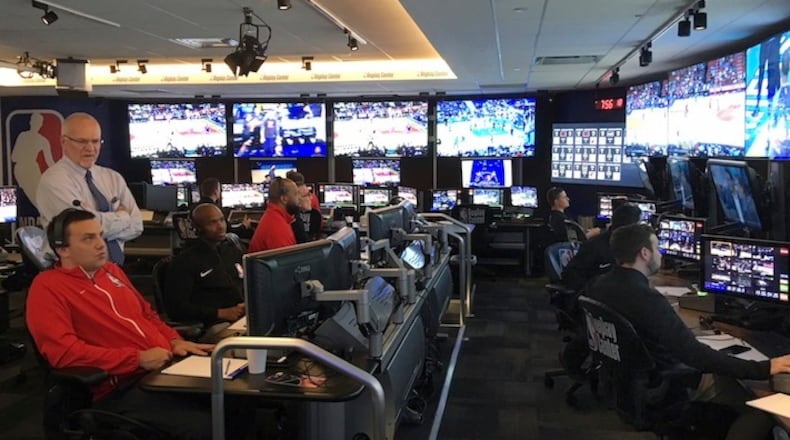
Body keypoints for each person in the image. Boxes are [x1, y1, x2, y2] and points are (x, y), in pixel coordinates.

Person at [26, 208, 250, 439]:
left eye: (100, 235)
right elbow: (63, 354)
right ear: (62, 249)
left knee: (240, 402)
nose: (101, 244)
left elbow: (147, 315)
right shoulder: (48, 287)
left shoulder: (111, 272)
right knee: (205, 425)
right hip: (119, 387)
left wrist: (173, 340)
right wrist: (136, 358)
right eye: (88, 238)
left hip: (162, 367)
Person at [588, 223, 790, 440]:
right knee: (761, 404)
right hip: (668, 382)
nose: (661, 253)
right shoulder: (646, 298)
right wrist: (765, 367)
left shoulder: (598, 284)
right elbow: (694, 355)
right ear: (644, 254)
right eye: (657, 248)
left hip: (626, 383)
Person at [36, 112, 143, 266]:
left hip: (112, 271)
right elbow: (80, 231)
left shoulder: (112, 178)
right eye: (82, 141)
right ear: (63, 142)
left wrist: (99, 224)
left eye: (96, 141)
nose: (90, 148)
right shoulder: (54, 180)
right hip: (71, 274)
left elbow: (137, 225)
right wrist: (123, 217)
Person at [165, 204, 245, 336]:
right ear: (198, 228)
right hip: (213, 324)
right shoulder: (185, 261)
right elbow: (176, 308)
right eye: (212, 223)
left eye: (221, 220)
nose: (220, 226)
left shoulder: (231, 251)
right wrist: (219, 313)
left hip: (241, 317)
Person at [561, 203, 642, 292]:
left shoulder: (630, 246)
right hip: (596, 297)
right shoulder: (594, 247)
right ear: (629, 228)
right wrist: (594, 289)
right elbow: (569, 275)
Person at [248, 177, 301, 253]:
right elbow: (287, 261)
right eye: (296, 194)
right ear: (284, 199)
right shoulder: (278, 228)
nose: (299, 198)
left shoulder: (273, 216)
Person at [286, 171, 322, 242]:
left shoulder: (315, 215)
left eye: (309, 194)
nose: (311, 198)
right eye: (306, 195)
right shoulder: (292, 221)